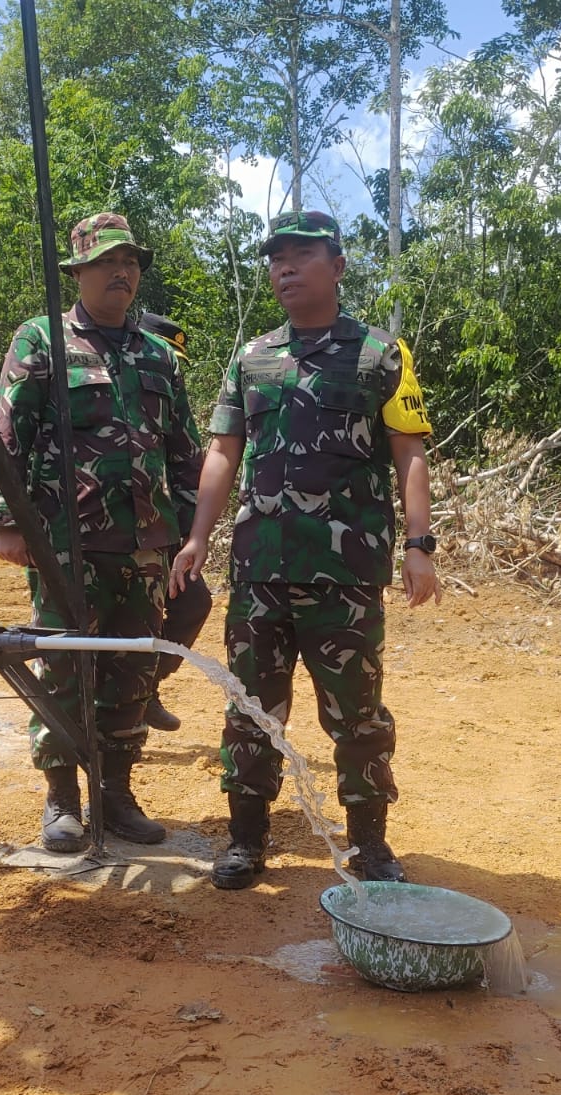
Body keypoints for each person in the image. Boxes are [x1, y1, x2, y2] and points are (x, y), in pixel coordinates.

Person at [170, 210, 439, 891]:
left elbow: (409, 453)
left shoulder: (382, 354)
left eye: (299, 255)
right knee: (250, 708)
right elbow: (223, 453)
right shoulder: (252, 357)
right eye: (275, 258)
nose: (283, 268)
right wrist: (198, 537)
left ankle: (369, 846)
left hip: (344, 572)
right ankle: (245, 840)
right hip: (261, 569)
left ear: (338, 266)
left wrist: (418, 544)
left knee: (357, 714)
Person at [0, 213, 203, 852]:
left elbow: (183, 450)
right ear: (77, 273)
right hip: (64, 542)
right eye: (108, 262)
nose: (122, 273)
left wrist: (190, 535)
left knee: (131, 672)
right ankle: (62, 800)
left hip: (144, 544)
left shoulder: (160, 355)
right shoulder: (40, 341)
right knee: (63, 666)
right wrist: (6, 521)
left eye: (131, 262)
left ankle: (116, 792)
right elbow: (8, 436)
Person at [136, 312, 213, 733]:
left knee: (193, 602)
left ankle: (146, 688)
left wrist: (188, 535)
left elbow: (186, 462)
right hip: (101, 530)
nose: (172, 360)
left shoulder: (169, 389)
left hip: (162, 529)